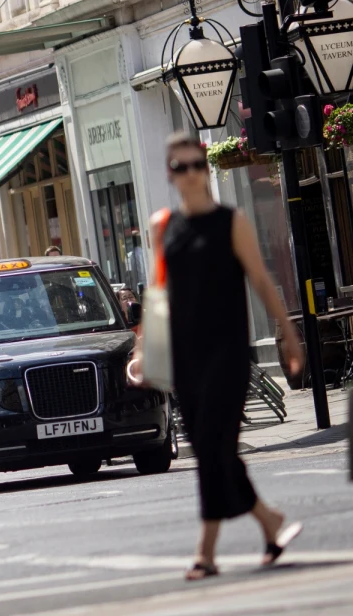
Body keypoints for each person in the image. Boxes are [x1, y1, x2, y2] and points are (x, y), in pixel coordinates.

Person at [133, 133, 304, 581]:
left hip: (227, 354)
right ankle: (269, 522)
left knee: (212, 448)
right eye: (180, 167)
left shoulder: (232, 222)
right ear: (170, 174)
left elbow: (263, 282)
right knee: (214, 449)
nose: (189, 174)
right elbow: (156, 292)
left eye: (196, 165)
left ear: (206, 170)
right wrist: (140, 350)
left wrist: (288, 335)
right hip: (185, 358)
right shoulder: (162, 225)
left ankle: (205, 551)